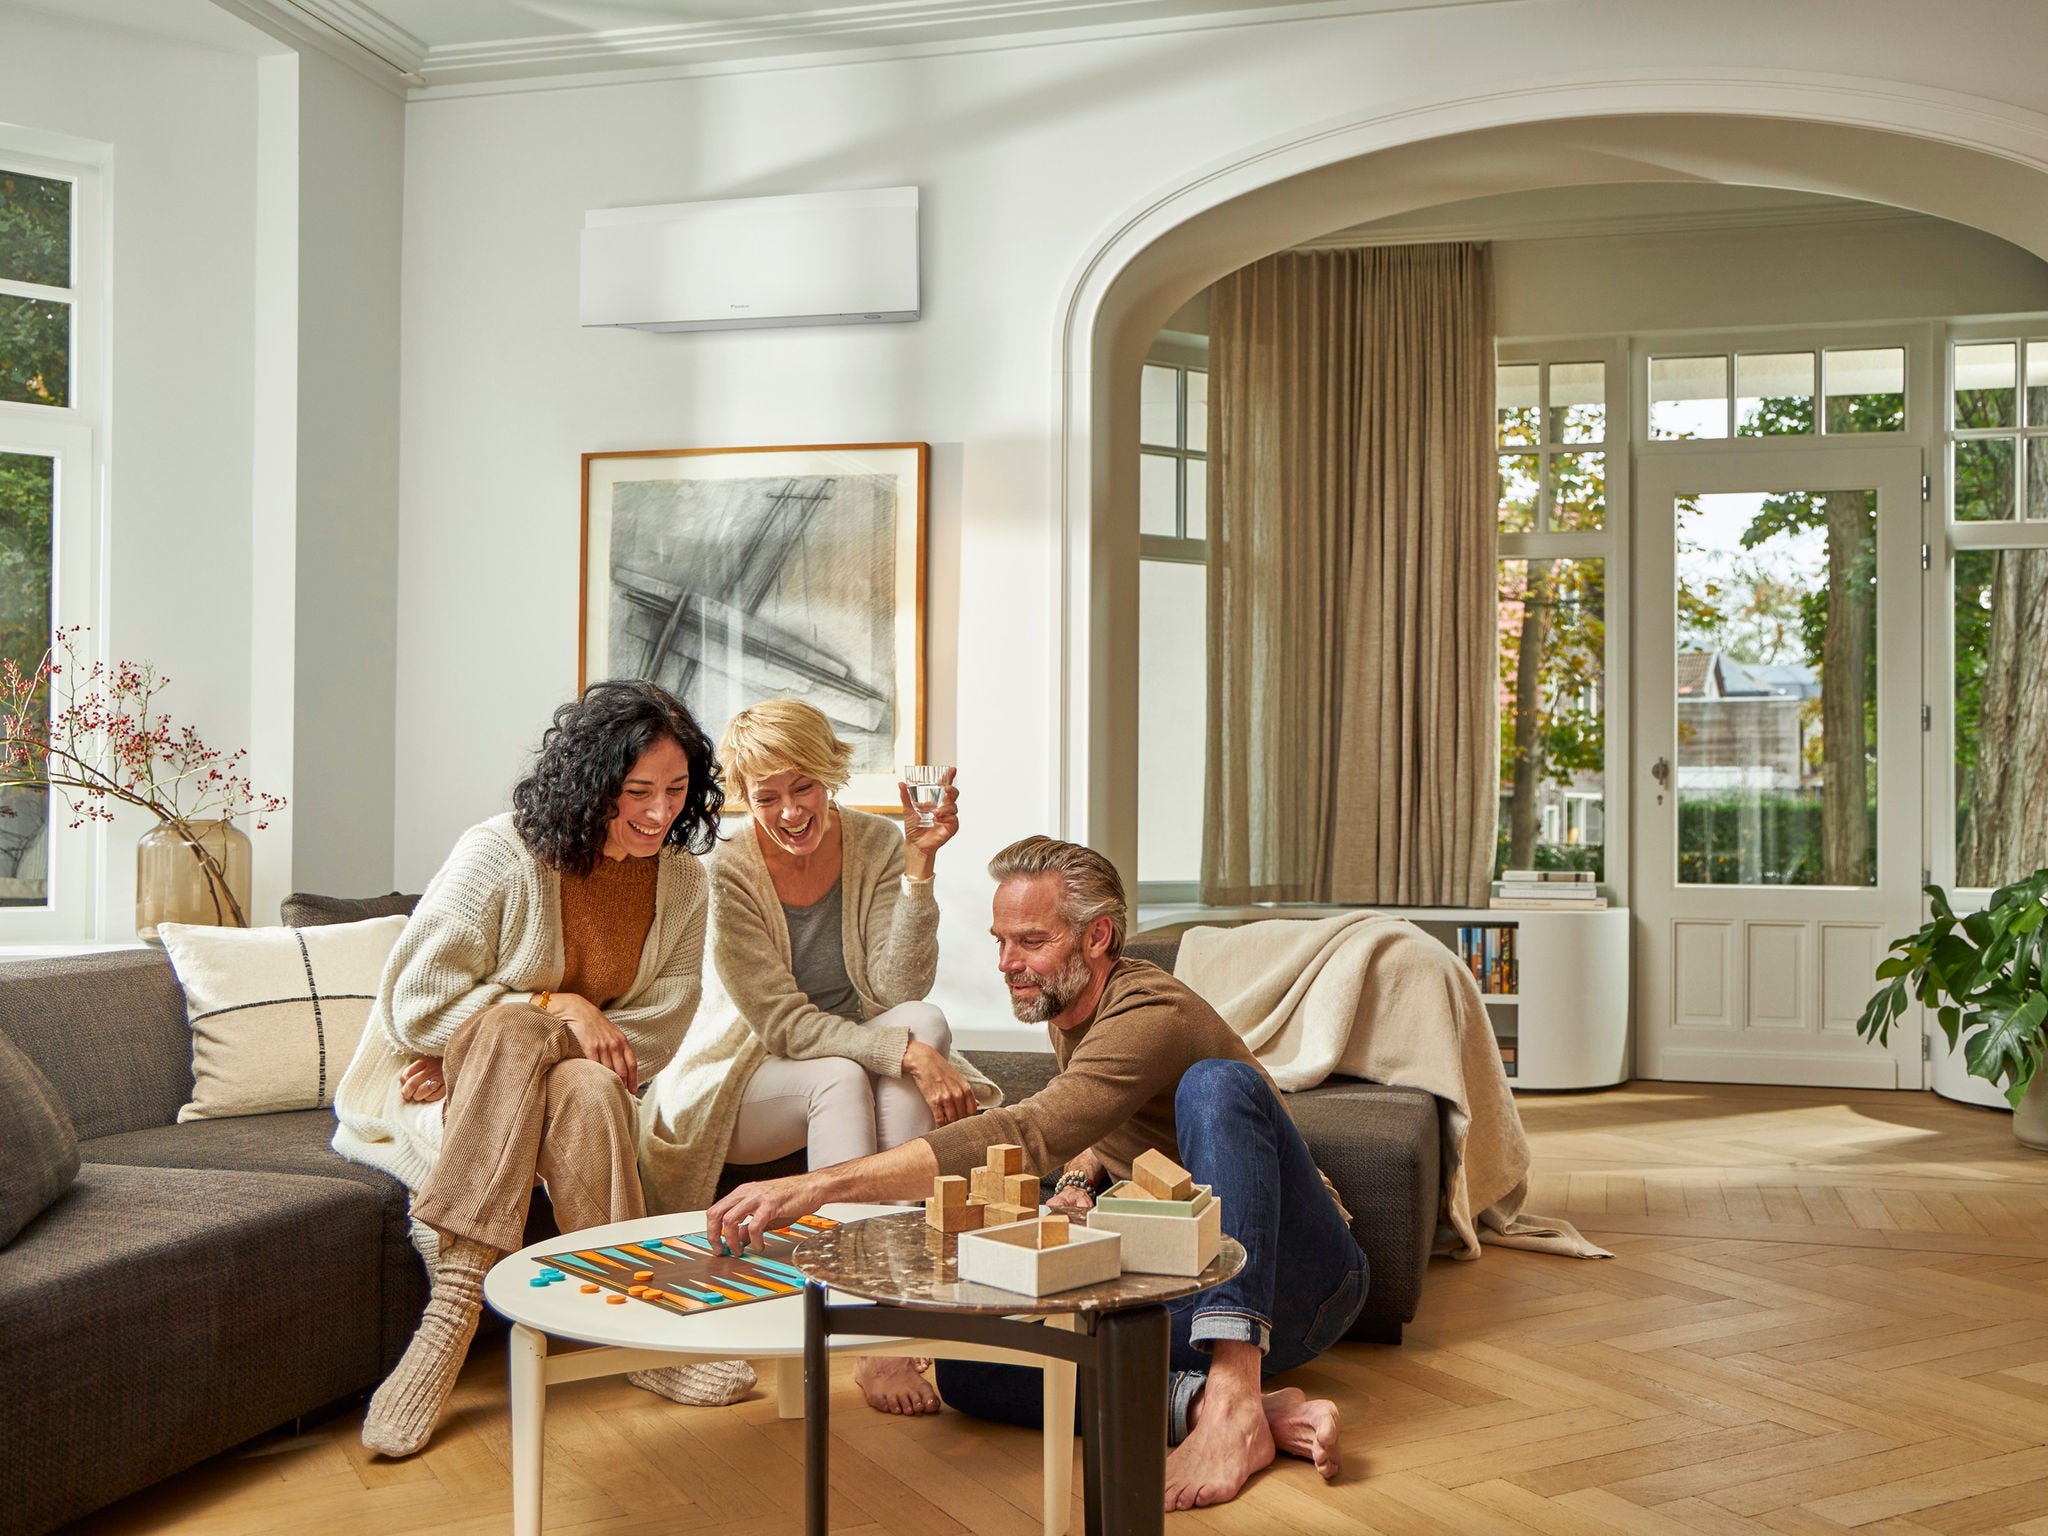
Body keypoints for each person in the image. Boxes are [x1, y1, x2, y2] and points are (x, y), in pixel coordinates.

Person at [704, 835, 1362, 1510]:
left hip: (1296, 1277)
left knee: (1216, 1085)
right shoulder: (1069, 1005)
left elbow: (1033, 1129)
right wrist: (1077, 1184)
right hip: (1183, 1275)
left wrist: (817, 1185)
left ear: (1097, 936)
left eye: (1030, 941)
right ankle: (1216, 1409)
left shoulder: (1152, 1010)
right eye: (1000, 941)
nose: (1007, 964)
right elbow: (1096, 1114)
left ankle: (1232, 1394)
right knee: (972, 1366)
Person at [332, 680, 750, 1458]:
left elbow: (657, 1032)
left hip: (496, 1079)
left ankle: (624, 1322)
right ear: (593, 784)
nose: (660, 814)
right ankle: (466, 1309)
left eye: (677, 790)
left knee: (583, 1082)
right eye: (637, 792)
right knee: (516, 1030)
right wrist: (559, 1004)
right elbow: (416, 1011)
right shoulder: (502, 853)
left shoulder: (685, 884)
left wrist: (553, 1025)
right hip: (425, 1090)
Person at [641, 698, 998, 1415]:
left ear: (830, 777)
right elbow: (783, 1026)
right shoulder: (727, 873)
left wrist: (919, 869)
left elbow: (897, 990)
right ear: (745, 798)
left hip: (852, 1056)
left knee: (922, 1019)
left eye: (803, 787)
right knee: (850, 1069)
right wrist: (901, 1052)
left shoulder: (872, 841)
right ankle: (870, 1332)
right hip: (744, 1076)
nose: (791, 811)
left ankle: (897, 1308)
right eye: (767, 797)